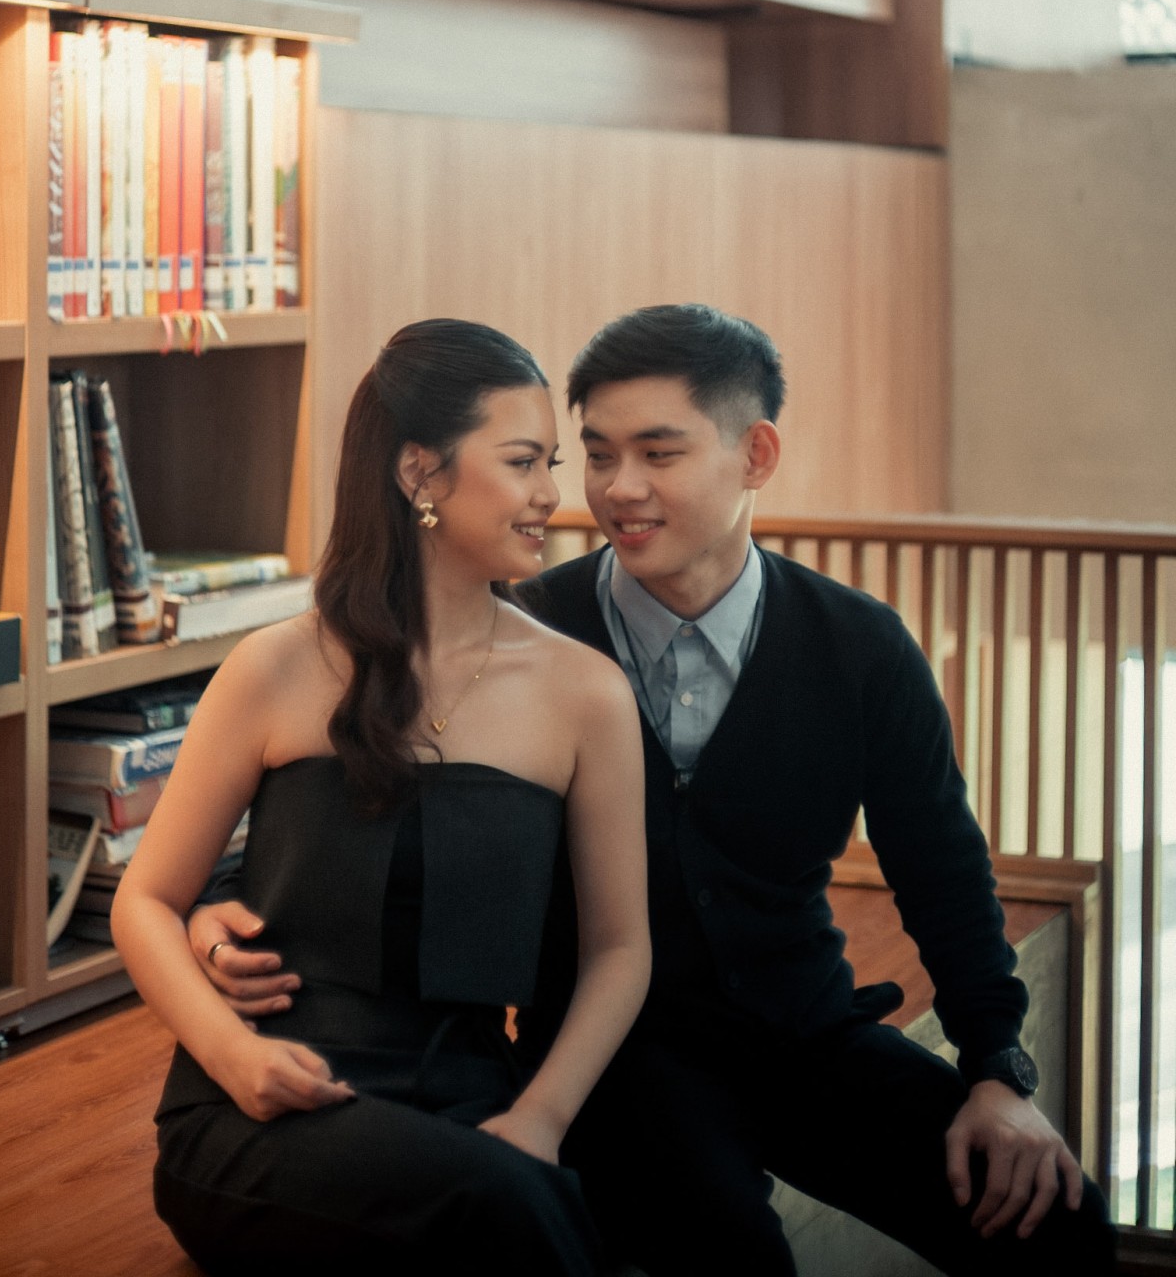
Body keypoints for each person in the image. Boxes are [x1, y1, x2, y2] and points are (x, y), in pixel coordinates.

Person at [190, 303, 1117, 1275]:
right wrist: (220, 907)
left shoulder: (858, 647)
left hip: (806, 1034)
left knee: (1063, 1230)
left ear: (754, 454)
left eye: (657, 454)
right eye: (596, 455)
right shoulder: (519, 640)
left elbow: (941, 868)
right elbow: (376, 827)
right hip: (615, 1064)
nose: (615, 488)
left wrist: (996, 1068)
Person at [113, 318, 650, 1277]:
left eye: (551, 464)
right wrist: (236, 1058)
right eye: (523, 462)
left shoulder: (586, 694)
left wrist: (541, 1115)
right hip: (264, 1103)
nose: (551, 495)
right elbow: (145, 900)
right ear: (418, 472)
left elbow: (620, 949)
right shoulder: (275, 667)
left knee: (523, 1196)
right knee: (505, 1208)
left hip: (469, 1092)